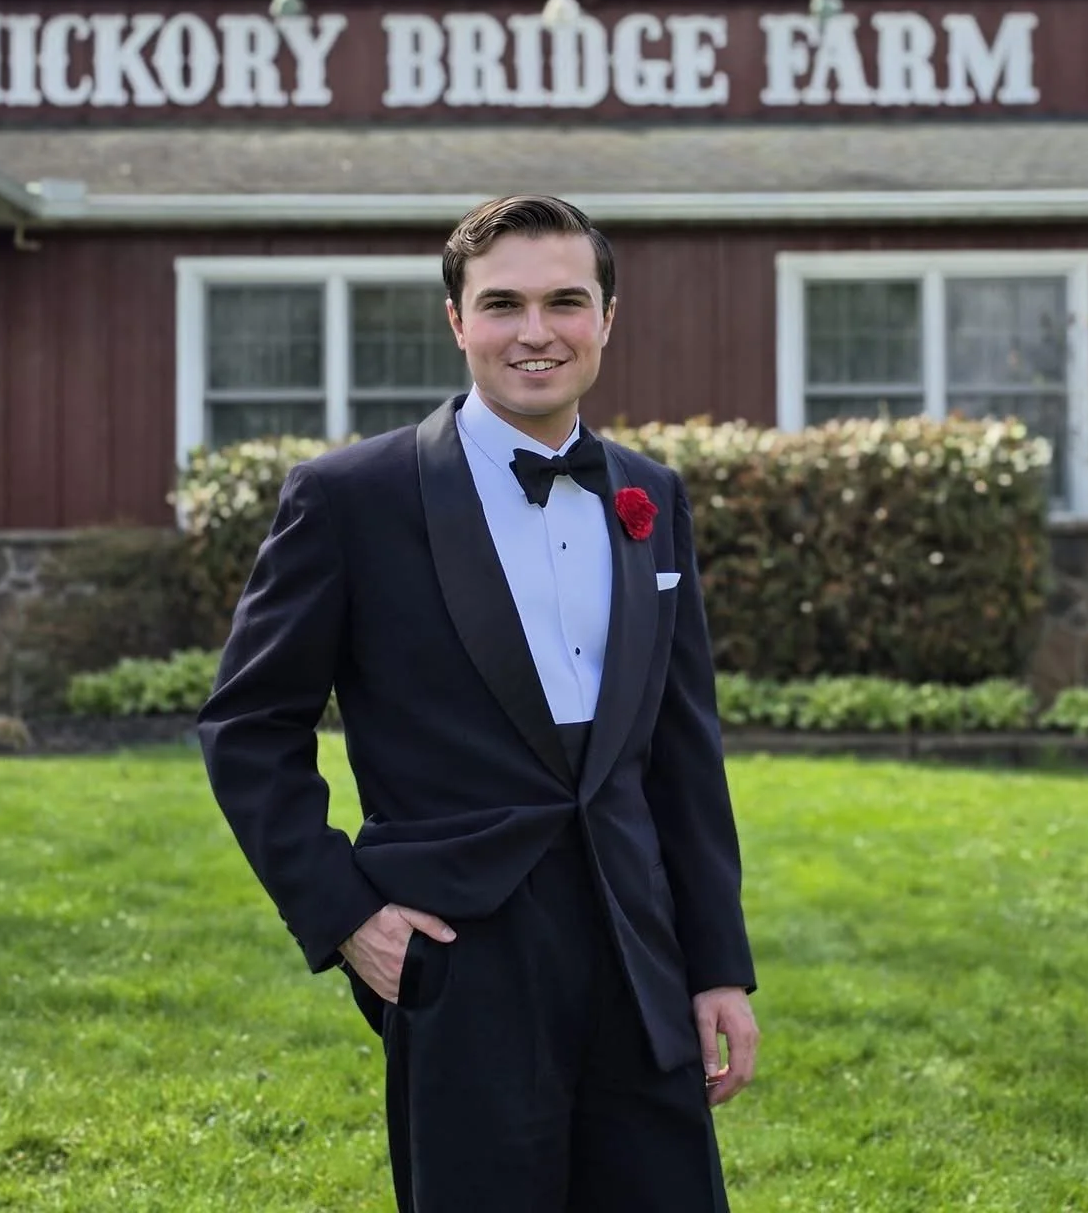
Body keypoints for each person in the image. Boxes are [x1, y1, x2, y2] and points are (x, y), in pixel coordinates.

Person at [197, 193, 759, 1213]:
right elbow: (248, 727)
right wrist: (346, 915)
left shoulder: (651, 495)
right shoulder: (350, 499)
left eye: (565, 302)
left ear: (606, 318)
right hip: (462, 952)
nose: (535, 332)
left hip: (638, 946)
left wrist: (717, 964)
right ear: (457, 321)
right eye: (503, 304)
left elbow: (682, 745)